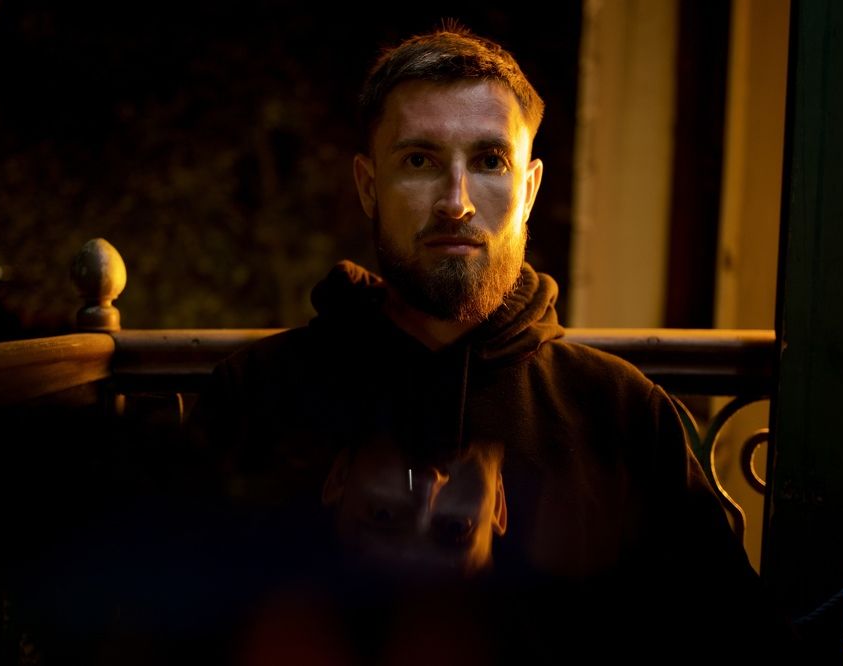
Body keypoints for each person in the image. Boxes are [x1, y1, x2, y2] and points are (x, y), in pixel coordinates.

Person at [189, 23, 801, 664]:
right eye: (419, 160)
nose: (455, 203)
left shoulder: (621, 412)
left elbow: (739, 643)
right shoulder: (255, 395)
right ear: (368, 186)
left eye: (489, 161)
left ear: (529, 190)